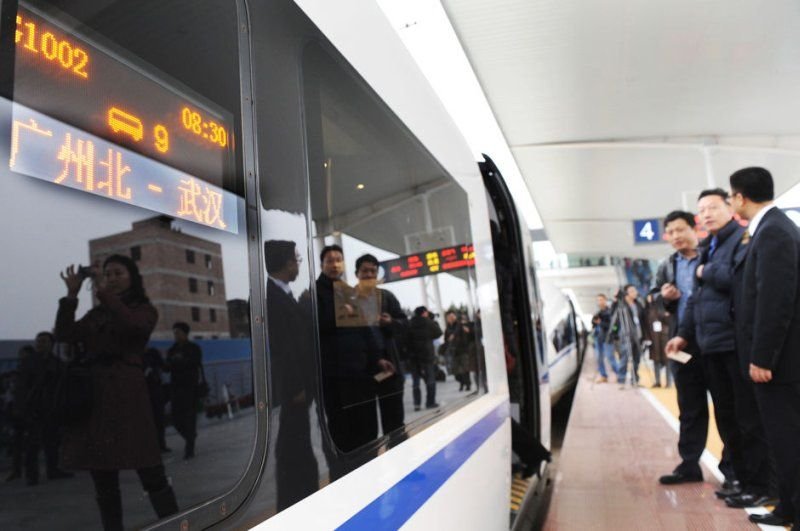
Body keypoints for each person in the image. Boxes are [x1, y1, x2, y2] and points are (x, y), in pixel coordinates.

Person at [666, 189, 773, 507]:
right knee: (720, 414)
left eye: (713, 207)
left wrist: (704, 271)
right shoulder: (704, 250)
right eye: (702, 210)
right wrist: (683, 333)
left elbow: (741, 282)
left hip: (731, 343)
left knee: (745, 417)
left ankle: (752, 480)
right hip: (705, 342)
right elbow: (697, 301)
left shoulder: (740, 240)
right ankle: (740, 477)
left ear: (732, 206)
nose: (707, 214)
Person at [56, 255, 177, 530]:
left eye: (117, 273)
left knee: (150, 470)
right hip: (96, 398)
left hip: (128, 396)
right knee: (103, 477)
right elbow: (65, 333)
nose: (111, 278)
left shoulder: (144, 309)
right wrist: (71, 296)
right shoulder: (97, 314)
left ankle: (177, 523)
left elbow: (132, 326)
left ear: (132, 277)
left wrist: (103, 292)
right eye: (107, 274)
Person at [729, 167, 800, 527]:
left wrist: (762, 356)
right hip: (780, 361)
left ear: (740, 197)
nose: (730, 203)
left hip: (781, 364)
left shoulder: (773, 232)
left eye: (730, 196)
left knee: (790, 441)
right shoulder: (772, 229)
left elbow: (776, 301)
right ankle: (788, 509)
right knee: (781, 440)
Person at [652, 210, 736, 489]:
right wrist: (665, 299)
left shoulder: (709, 256)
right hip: (682, 342)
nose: (675, 237)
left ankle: (731, 468)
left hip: (713, 340)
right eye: (670, 233)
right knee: (689, 408)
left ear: (693, 229)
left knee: (725, 406)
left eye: (680, 230)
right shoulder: (666, 265)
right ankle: (689, 465)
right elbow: (654, 300)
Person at [314, 245, 394, 480]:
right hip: (336, 376)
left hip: (361, 372)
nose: (335, 264)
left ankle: (369, 476)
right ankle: (343, 480)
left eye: (339, 260)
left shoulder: (349, 291)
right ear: (322, 264)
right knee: (341, 432)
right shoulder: (315, 292)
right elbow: (315, 326)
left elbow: (364, 328)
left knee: (367, 429)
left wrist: (378, 358)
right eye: (330, 260)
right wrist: (340, 313)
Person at [264, 240, 318, 510]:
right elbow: (282, 348)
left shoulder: (284, 294)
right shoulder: (270, 298)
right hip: (293, 390)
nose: (298, 264)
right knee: (291, 448)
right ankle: (294, 503)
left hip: (299, 388)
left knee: (296, 445)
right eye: (296, 259)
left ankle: (302, 495)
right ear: (287, 264)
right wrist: (296, 386)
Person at [353, 254, 407, 435]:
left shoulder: (387, 297)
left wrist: (391, 322)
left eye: (373, 271)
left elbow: (404, 325)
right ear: (356, 274)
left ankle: (400, 460)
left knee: (395, 423)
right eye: (364, 271)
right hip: (363, 371)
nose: (369, 274)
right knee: (366, 428)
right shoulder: (348, 300)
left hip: (390, 369)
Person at [19, 331, 73, 484]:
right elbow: (22, 386)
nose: (40, 344)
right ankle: (32, 475)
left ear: (51, 344)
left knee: (52, 441)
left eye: (44, 341)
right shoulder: (29, 362)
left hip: (51, 407)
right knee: (32, 443)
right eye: (38, 341)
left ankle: (53, 469)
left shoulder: (56, 363)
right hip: (34, 407)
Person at [165, 322, 203, 460]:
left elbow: (195, 363)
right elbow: (167, 367)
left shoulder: (193, 348)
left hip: (190, 388)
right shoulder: (172, 349)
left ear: (185, 333)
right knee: (176, 419)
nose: (176, 335)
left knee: (189, 418)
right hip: (176, 388)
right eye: (175, 333)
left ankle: (189, 448)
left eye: (178, 332)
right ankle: (190, 436)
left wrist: (180, 361)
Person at [608, 285, 646, 388]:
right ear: (626, 293)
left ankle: (635, 380)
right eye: (632, 291)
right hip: (625, 336)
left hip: (638, 336)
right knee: (624, 358)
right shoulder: (621, 306)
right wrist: (614, 334)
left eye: (635, 290)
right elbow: (613, 318)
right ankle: (621, 380)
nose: (635, 292)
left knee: (636, 359)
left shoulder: (638, 304)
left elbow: (643, 319)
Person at [408, 307, 443, 409]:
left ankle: (417, 404)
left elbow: (405, 338)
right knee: (430, 380)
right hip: (427, 355)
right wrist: (432, 320)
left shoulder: (410, 323)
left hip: (414, 357)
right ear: (424, 313)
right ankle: (430, 402)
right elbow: (439, 333)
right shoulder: (428, 322)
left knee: (416, 382)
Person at [142, 348, 169, 453]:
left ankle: (159, 444)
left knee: (157, 419)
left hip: (153, 389)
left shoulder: (150, 353)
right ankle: (158, 444)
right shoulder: (149, 353)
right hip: (151, 390)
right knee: (156, 419)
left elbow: (163, 366)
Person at [644, 295, 672, 388]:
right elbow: (646, 325)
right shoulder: (648, 309)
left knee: (667, 360)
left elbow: (669, 321)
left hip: (664, 337)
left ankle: (669, 381)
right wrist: (647, 338)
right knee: (656, 360)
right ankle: (657, 381)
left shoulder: (665, 307)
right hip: (653, 337)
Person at [591, 294, 617, 383]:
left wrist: (600, 322)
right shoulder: (597, 312)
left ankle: (620, 374)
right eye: (598, 300)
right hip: (598, 338)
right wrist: (594, 322)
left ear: (605, 300)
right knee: (599, 358)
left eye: (601, 299)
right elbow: (594, 324)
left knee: (610, 357)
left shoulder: (610, 312)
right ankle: (603, 376)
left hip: (607, 338)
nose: (600, 301)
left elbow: (612, 326)